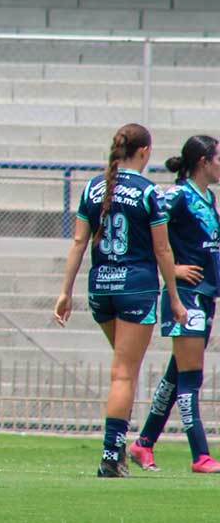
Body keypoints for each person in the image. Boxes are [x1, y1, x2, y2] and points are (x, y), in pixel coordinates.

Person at [54, 123, 187, 478]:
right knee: (123, 374)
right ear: (144, 152)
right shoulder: (149, 192)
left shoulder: (92, 187)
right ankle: (112, 456)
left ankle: (118, 453)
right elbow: (162, 248)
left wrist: (65, 292)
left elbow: (79, 243)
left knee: (121, 369)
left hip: (100, 289)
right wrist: (174, 297)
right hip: (135, 287)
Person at [130, 135, 220, 473]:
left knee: (176, 374)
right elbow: (147, 230)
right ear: (202, 161)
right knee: (190, 378)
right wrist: (173, 268)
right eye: (218, 158)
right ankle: (200, 454)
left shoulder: (206, 197)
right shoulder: (178, 196)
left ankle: (143, 444)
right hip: (184, 294)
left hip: (205, 292)